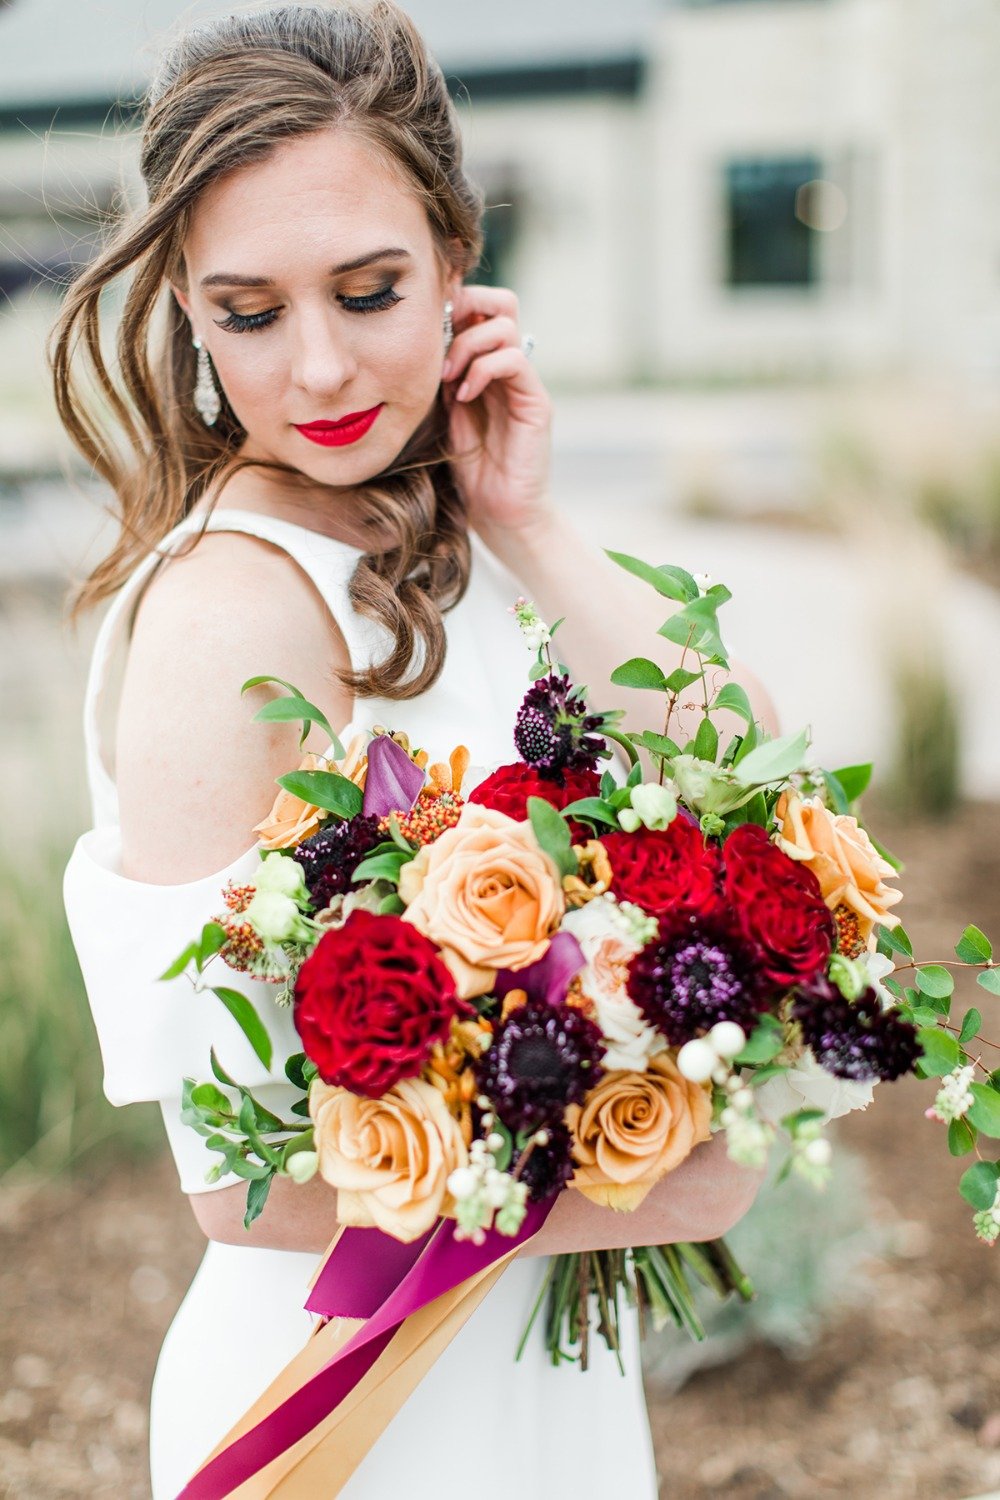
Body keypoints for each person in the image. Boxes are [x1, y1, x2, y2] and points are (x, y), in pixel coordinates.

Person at [56, 4, 771, 1495]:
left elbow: (754, 779)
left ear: (457, 259)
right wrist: (656, 1176)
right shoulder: (227, 617)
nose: (318, 369)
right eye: (249, 312)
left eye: (370, 289)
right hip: (345, 1404)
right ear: (187, 313)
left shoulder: (457, 524)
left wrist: (527, 523)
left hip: (530, 1372)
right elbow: (236, 1181)